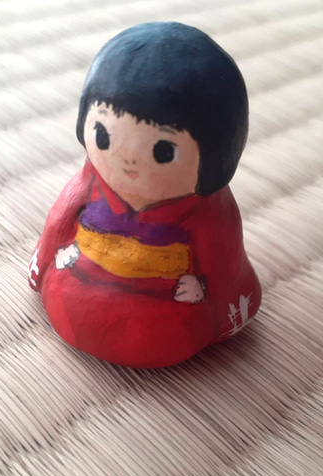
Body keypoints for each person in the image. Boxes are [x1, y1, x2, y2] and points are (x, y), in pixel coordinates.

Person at [28, 22, 261, 368]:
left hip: (165, 303)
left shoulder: (207, 210)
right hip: (78, 279)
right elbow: (59, 221)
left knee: (166, 331)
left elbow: (222, 263)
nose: (128, 162)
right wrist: (47, 260)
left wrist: (208, 292)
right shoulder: (90, 181)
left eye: (164, 151)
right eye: (103, 135)